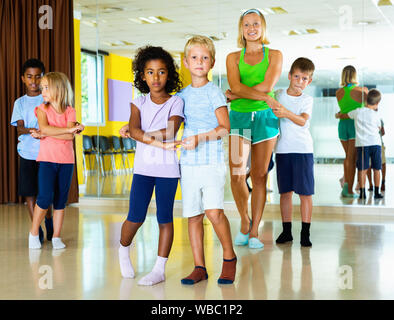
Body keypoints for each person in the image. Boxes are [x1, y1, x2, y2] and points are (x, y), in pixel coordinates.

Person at [118, 46, 184, 286]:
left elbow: (170, 130)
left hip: (168, 169)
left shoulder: (176, 102)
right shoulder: (138, 102)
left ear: (169, 74)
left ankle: (159, 269)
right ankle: (123, 250)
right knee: (135, 217)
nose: (156, 78)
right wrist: (151, 139)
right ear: (142, 75)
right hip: (143, 169)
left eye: (161, 72)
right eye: (150, 72)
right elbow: (133, 130)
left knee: (165, 218)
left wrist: (142, 136)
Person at [176, 36, 237, 285]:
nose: (199, 62)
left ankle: (229, 258)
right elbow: (170, 126)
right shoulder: (180, 95)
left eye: (204, 57)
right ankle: (199, 267)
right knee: (193, 215)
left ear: (211, 62)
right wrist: (134, 128)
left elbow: (224, 127)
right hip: (188, 163)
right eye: (194, 57)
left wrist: (200, 138)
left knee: (213, 212)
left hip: (211, 162)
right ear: (186, 62)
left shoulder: (214, 92)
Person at [225, 8, 283, 249]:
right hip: (239, 118)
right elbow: (234, 85)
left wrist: (238, 92)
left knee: (260, 176)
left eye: (256, 24)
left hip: (265, 120)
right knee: (237, 175)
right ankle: (244, 220)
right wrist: (266, 97)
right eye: (247, 24)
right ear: (241, 28)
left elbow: (267, 84)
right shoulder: (232, 57)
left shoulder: (275, 55)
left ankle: (255, 231)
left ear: (263, 27)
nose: (251, 28)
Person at [28, 72, 85, 249]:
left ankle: (57, 237)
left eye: (46, 87)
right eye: (42, 87)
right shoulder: (41, 109)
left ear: (58, 89)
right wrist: (69, 130)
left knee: (61, 199)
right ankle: (33, 233)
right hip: (47, 160)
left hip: (66, 162)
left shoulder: (70, 110)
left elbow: (68, 139)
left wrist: (49, 133)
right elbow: (44, 128)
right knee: (44, 198)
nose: (41, 90)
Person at [271, 57, 315, 247]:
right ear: (289, 76)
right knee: (285, 193)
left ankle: (305, 233)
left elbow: (303, 120)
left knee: (305, 194)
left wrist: (285, 113)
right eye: (296, 76)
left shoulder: (307, 99)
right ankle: (286, 231)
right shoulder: (278, 94)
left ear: (309, 81)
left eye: (304, 79)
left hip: (303, 150)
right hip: (283, 150)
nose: (299, 81)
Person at [10, 59, 53, 244]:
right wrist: (33, 131)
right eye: (29, 76)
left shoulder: (49, 99)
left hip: (46, 153)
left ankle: (49, 222)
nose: (34, 80)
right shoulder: (19, 103)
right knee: (30, 194)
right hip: (27, 153)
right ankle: (36, 229)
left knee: (46, 194)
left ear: (44, 78)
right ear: (23, 79)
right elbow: (19, 128)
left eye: (38, 76)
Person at [336, 89, 383, 200]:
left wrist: (338, 115)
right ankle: (377, 192)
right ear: (377, 103)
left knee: (362, 169)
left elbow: (345, 115)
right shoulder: (377, 115)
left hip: (362, 145)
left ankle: (362, 193)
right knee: (377, 169)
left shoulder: (357, 111)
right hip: (375, 144)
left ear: (366, 101)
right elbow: (379, 128)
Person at [335, 66, 368, 198]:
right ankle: (348, 190)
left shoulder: (338, 92)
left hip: (343, 126)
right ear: (355, 75)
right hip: (356, 126)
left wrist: (339, 115)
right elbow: (367, 110)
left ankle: (347, 186)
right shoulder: (362, 91)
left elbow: (343, 112)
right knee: (352, 158)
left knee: (348, 158)